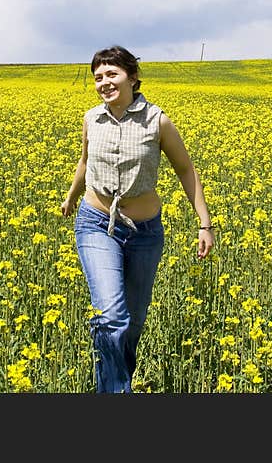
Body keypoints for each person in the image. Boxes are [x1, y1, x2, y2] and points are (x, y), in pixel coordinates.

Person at [61, 45, 215, 393]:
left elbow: (186, 169)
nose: (104, 82)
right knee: (111, 316)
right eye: (98, 77)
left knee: (132, 322)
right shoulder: (91, 119)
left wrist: (204, 224)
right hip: (96, 223)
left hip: (145, 232)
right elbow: (85, 163)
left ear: (131, 76)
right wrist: (71, 196)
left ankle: (117, 381)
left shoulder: (157, 120)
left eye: (111, 74)